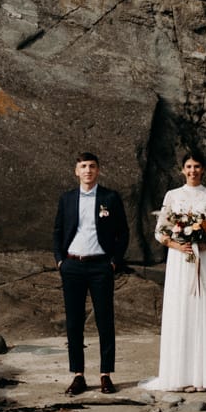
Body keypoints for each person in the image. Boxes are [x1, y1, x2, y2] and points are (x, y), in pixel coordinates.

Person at [143, 152, 206, 392]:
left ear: (203, 169)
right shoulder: (173, 195)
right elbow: (160, 231)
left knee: (205, 308)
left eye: (197, 166)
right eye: (188, 166)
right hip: (180, 260)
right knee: (181, 309)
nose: (193, 170)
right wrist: (177, 245)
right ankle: (181, 375)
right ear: (182, 170)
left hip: (205, 259)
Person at [52, 151, 130, 396]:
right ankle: (78, 375)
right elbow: (57, 230)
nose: (88, 170)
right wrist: (59, 261)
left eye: (92, 166)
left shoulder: (110, 197)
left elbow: (123, 233)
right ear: (76, 171)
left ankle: (105, 374)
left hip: (100, 267)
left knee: (104, 321)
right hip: (72, 266)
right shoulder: (67, 199)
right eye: (83, 166)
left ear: (98, 170)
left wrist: (115, 262)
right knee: (74, 322)